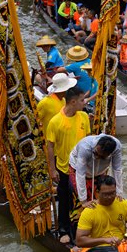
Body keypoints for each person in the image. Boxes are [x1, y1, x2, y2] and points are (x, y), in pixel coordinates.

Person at [45, 86, 91, 240]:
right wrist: (52, 169)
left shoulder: (84, 117)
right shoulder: (55, 121)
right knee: (65, 200)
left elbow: (89, 141)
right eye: (82, 100)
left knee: (82, 200)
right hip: (64, 168)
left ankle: (81, 228)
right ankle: (64, 229)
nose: (84, 103)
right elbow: (50, 146)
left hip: (82, 169)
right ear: (72, 101)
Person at [69, 134, 123, 201]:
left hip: (100, 171)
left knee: (100, 198)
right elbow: (80, 174)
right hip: (78, 169)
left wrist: (119, 193)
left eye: (101, 157)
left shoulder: (117, 148)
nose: (97, 157)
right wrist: (83, 200)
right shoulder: (85, 147)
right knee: (80, 200)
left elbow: (117, 170)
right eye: (96, 153)